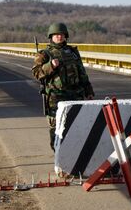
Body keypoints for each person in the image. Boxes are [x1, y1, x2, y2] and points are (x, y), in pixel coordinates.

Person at [32, 22, 94, 151]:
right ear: (51, 37)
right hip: (56, 97)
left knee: (76, 125)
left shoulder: (73, 52)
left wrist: (88, 90)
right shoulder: (44, 54)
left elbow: (82, 72)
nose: (59, 37)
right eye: (56, 35)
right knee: (56, 128)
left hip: (76, 95)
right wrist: (51, 66)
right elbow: (36, 73)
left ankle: (74, 155)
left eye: (61, 35)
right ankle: (58, 155)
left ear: (65, 36)